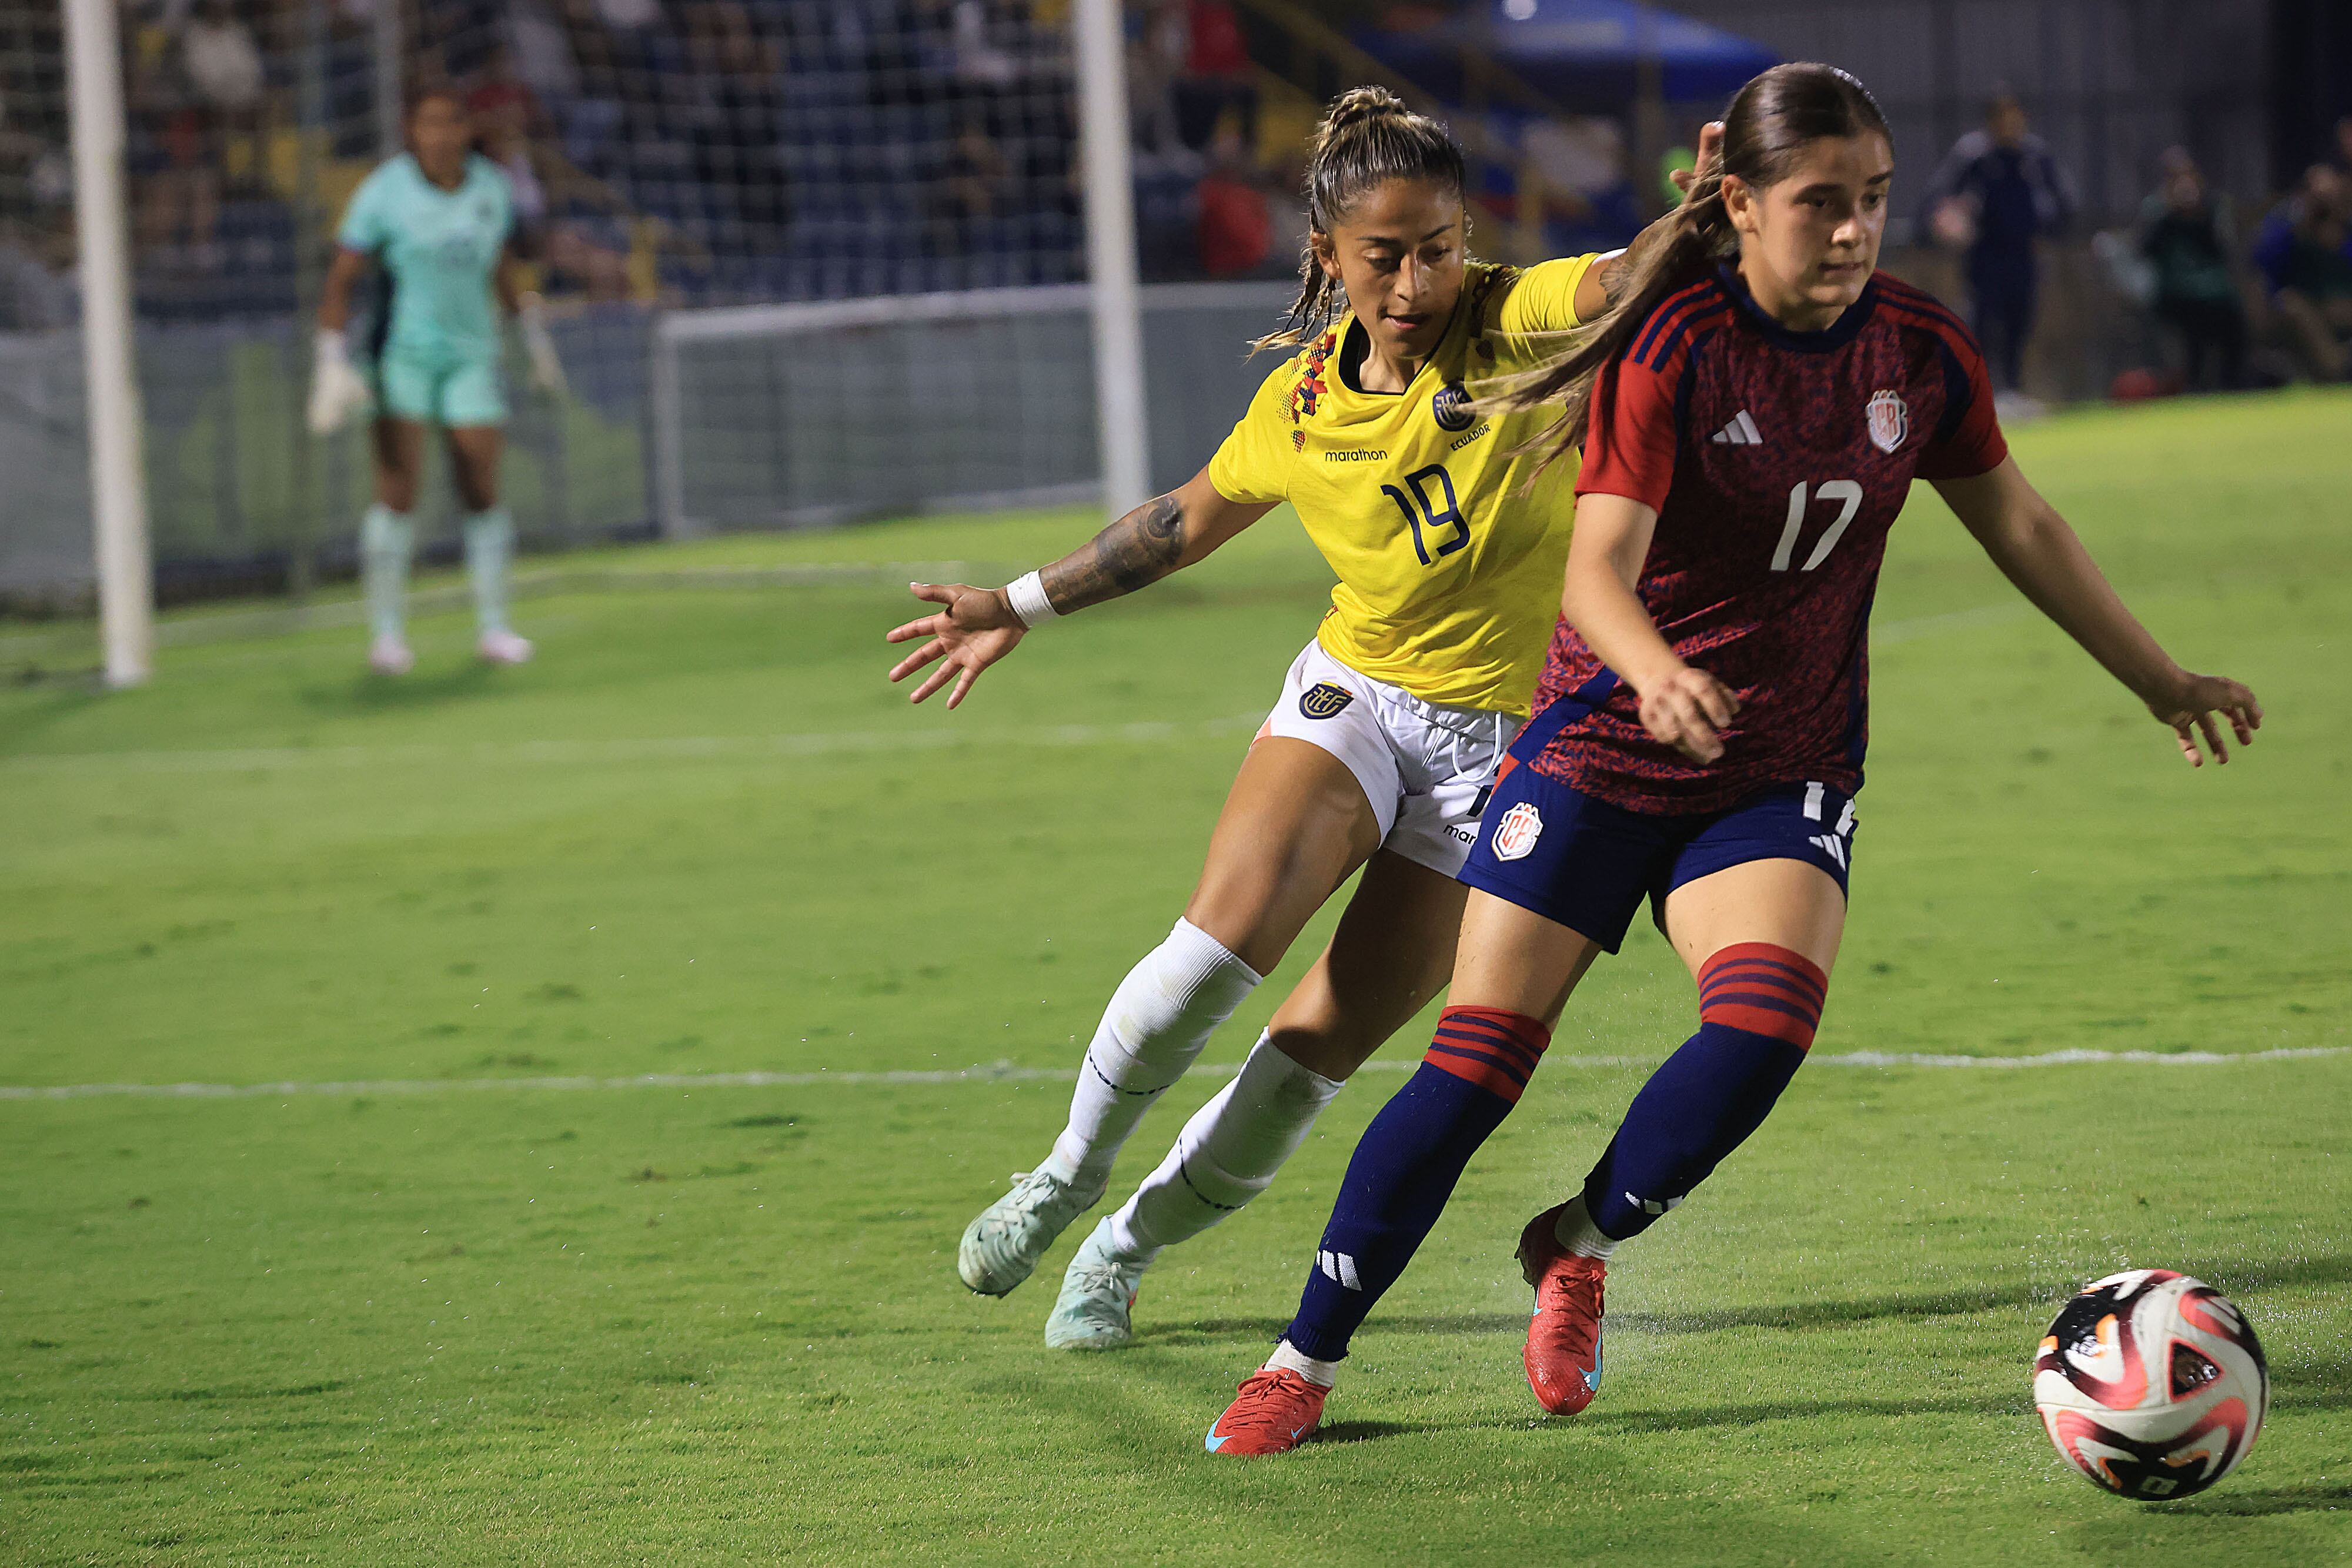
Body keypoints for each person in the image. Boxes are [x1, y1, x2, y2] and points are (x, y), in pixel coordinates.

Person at [1206, 61, 2262, 1456]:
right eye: (1820, 203)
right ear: (1745, 205)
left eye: (1872, 202)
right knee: (1472, 1068)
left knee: (1761, 1029)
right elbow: (1593, 573)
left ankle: (1572, 1244)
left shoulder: (1918, 351)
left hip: (1778, 764)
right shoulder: (1675, 348)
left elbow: (2022, 527)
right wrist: (1652, 670)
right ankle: (1304, 1361)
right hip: (1597, 745)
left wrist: (2157, 679)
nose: (1851, 232)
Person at [886, 88, 1709, 1352]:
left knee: (1313, 1049)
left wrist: (1688, 218)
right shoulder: (1301, 408)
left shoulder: (1512, 316)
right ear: (1326, 253)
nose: (1417, 278)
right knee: (1214, 949)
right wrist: (1014, 603)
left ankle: (1123, 1250)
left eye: (1438, 245)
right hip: (1354, 699)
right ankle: (1062, 1174)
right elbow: (1177, 523)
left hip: (1504, 750)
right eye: (1385, 254)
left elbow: (1617, 278)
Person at [310, 88, 567, 675]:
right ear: (412, 130)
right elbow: (342, 277)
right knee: (400, 488)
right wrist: (330, 357)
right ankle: (386, 636)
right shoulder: (384, 192)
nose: (439, 136)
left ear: (465, 129)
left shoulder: (490, 188)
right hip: (402, 356)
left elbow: (501, 265)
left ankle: (496, 627)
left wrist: (531, 335)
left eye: (450, 123)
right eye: (427, 124)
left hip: (472, 353)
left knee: (480, 478)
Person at [1919, 89, 2076, 397]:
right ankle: (1980, 391)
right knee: (1984, 320)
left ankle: (2014, 389)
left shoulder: (2034, 156)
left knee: (2021, 318)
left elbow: (2063, 201)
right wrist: (1945, 222)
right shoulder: (1973, 156)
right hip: (1985, 254)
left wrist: (2050, 225)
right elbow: (1938, 197)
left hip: (2024, 252)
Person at [2136, 148, 2247, 392]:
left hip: (2215, 290)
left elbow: (2223, 250)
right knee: (2193, 325)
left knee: (2234, 319)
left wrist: (2200, 217)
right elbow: (2146, 251)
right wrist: (2169, 214)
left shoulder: (2211, 207)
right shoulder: (2156, 209)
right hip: (2175, 291)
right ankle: (2194, 384)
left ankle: (2232, 384)